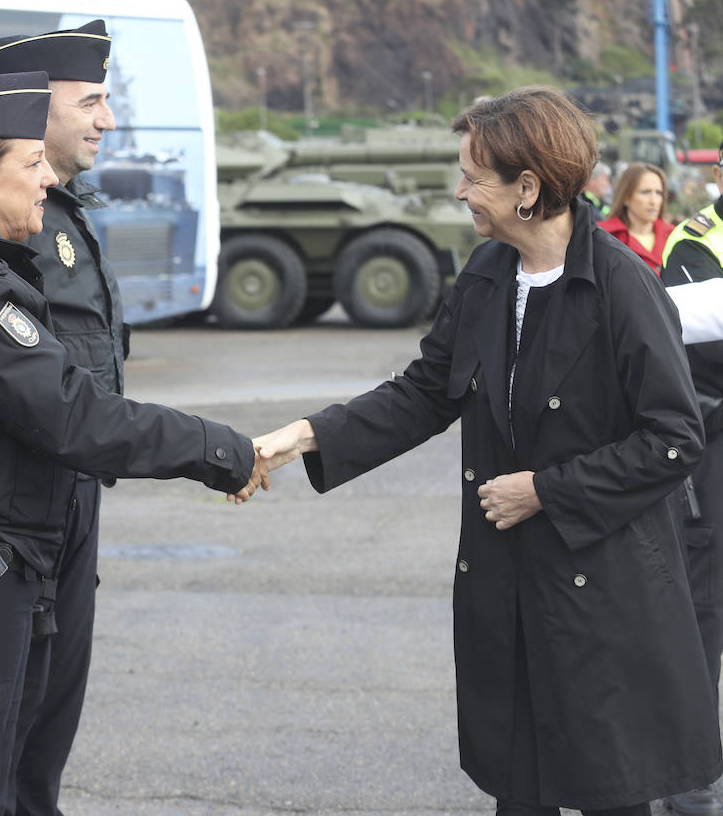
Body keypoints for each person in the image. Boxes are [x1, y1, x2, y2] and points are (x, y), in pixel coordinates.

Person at [255, 86, 719, 814]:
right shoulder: (485, 276)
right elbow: (425, 392)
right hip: (508, 589)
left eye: (473, 177)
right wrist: (304, 435)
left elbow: (675, 438)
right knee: (519, 789)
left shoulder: (624, 289)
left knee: (612, 790)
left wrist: (547, 491)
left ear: (528, 188)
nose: (461, 192)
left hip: (606, 598)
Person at [0, 71, 269, 816]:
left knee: (0, 778)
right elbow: (75, 417)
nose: (44, 180)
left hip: (3, 550)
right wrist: (219, 450)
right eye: (29, 166)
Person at [0, 18, 127, 813]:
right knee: (9, 732)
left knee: (49, 723)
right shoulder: (9, 223)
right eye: (92, 102)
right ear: (36, 106)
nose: (107, 119)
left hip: (71, 491)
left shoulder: (64, 211)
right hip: (21, 505)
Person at [659, 141, 723, 816]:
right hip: (714, 446)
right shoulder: (699, 239)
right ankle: (692, 769)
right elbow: (696, 352)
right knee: (702, 608)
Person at [598, 162, 673, 273]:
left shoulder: (673, 235)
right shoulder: (603, 236)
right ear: (626, 197)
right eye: (645, 192)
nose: (654, 201)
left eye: (659, 193)